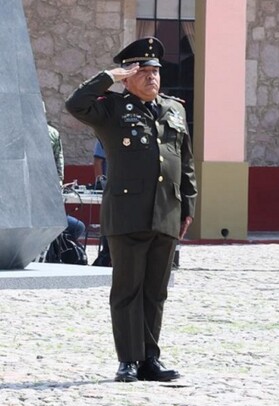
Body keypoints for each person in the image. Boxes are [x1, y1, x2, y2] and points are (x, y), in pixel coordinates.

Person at [65, 37, 198, 383]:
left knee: (156, 290)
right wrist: (109, 76)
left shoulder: (175, 109)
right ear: (128, 76)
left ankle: (150, 359)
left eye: (156, 71)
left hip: (167, 212)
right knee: (127, 289)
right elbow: (75, 104)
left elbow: (185, 162)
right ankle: (128, 359)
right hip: (127, 214)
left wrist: (189, 205)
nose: (152, 76)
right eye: (143, 70)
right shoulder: (111, 109)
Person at [48, 123, 85, 243]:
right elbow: (59, 164)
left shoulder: (52, 133)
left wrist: (58, 183)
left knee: (76, 227)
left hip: (47, 195)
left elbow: (59, 163)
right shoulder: (52, 133)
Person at [91, 139, 111, 267]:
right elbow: (98, 162)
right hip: (109, 187)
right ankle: (106, 254)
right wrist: (100, 184)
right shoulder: (103, 137)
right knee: (108, 221)